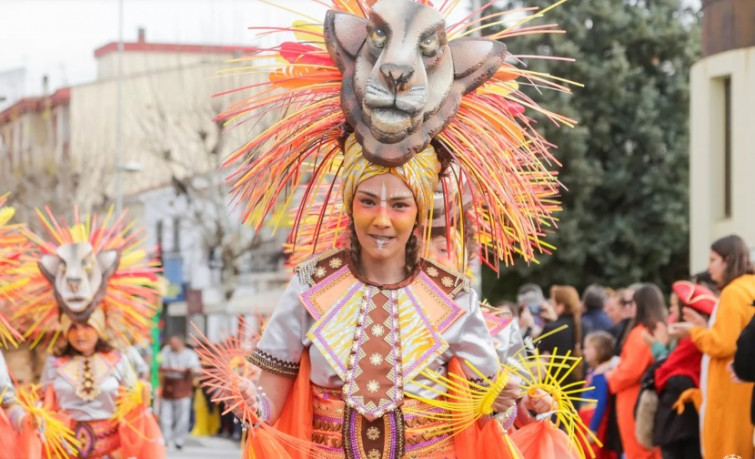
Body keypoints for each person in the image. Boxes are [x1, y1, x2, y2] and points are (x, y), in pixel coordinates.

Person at [7, 208, 165, 457]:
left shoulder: (118, 361)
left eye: (87, 327)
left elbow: (136, 415)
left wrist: (141, 396)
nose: (81, 334)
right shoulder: (55, 364)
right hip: (65, 452)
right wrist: (35, 415)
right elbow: (46, 406)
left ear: (100, 329)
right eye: (74, 328)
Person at [669, 234, 755, 458]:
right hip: (744, 392)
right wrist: (705, 327)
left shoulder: (734, 292)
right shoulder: (749, 287)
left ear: (728, 260)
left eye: (713, 260)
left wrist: (693, 332)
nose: (709, 268)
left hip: (729, 393)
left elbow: (724, 344)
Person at [648, 281, 715, 459]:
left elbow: (663, 373)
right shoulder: (691, 338)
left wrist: (658, 350)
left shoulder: (690, 340)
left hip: (681, 419)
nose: (670, 311)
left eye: (673, 306)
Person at [606, 284, 665, 459]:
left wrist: (611, 377)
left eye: (632, 303)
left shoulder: (639, 333)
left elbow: (629, 371)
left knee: (638, 451)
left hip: (633, 401)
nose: (629, 307)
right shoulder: (656, 328)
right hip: (644, 398)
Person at [579, 331, 616, 459]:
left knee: (592, 453)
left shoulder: (601, 375)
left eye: (588, 348)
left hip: (592, 419)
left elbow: (601, 402)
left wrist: (593, 428)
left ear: (600, 350)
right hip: (585, 418)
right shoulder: (594, 372)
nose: (585, 351)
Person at [159, 334, 201, 450]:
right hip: (169, 385)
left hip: (183, 387)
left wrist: (188, 370)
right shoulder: (166, 351)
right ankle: (165, 438)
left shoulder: (190, 354)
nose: (172, 346)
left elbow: (196, 369)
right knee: (165, 416)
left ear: (180, 343)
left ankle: (179, 440)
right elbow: (159, 362)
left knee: (182, 416)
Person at [539, 285, 586, 385]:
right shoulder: (584, 327)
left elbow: (532, 352)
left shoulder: (552, 329)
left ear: (561, 306)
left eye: (553, 303)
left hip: (554, 387)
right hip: (578, 386)